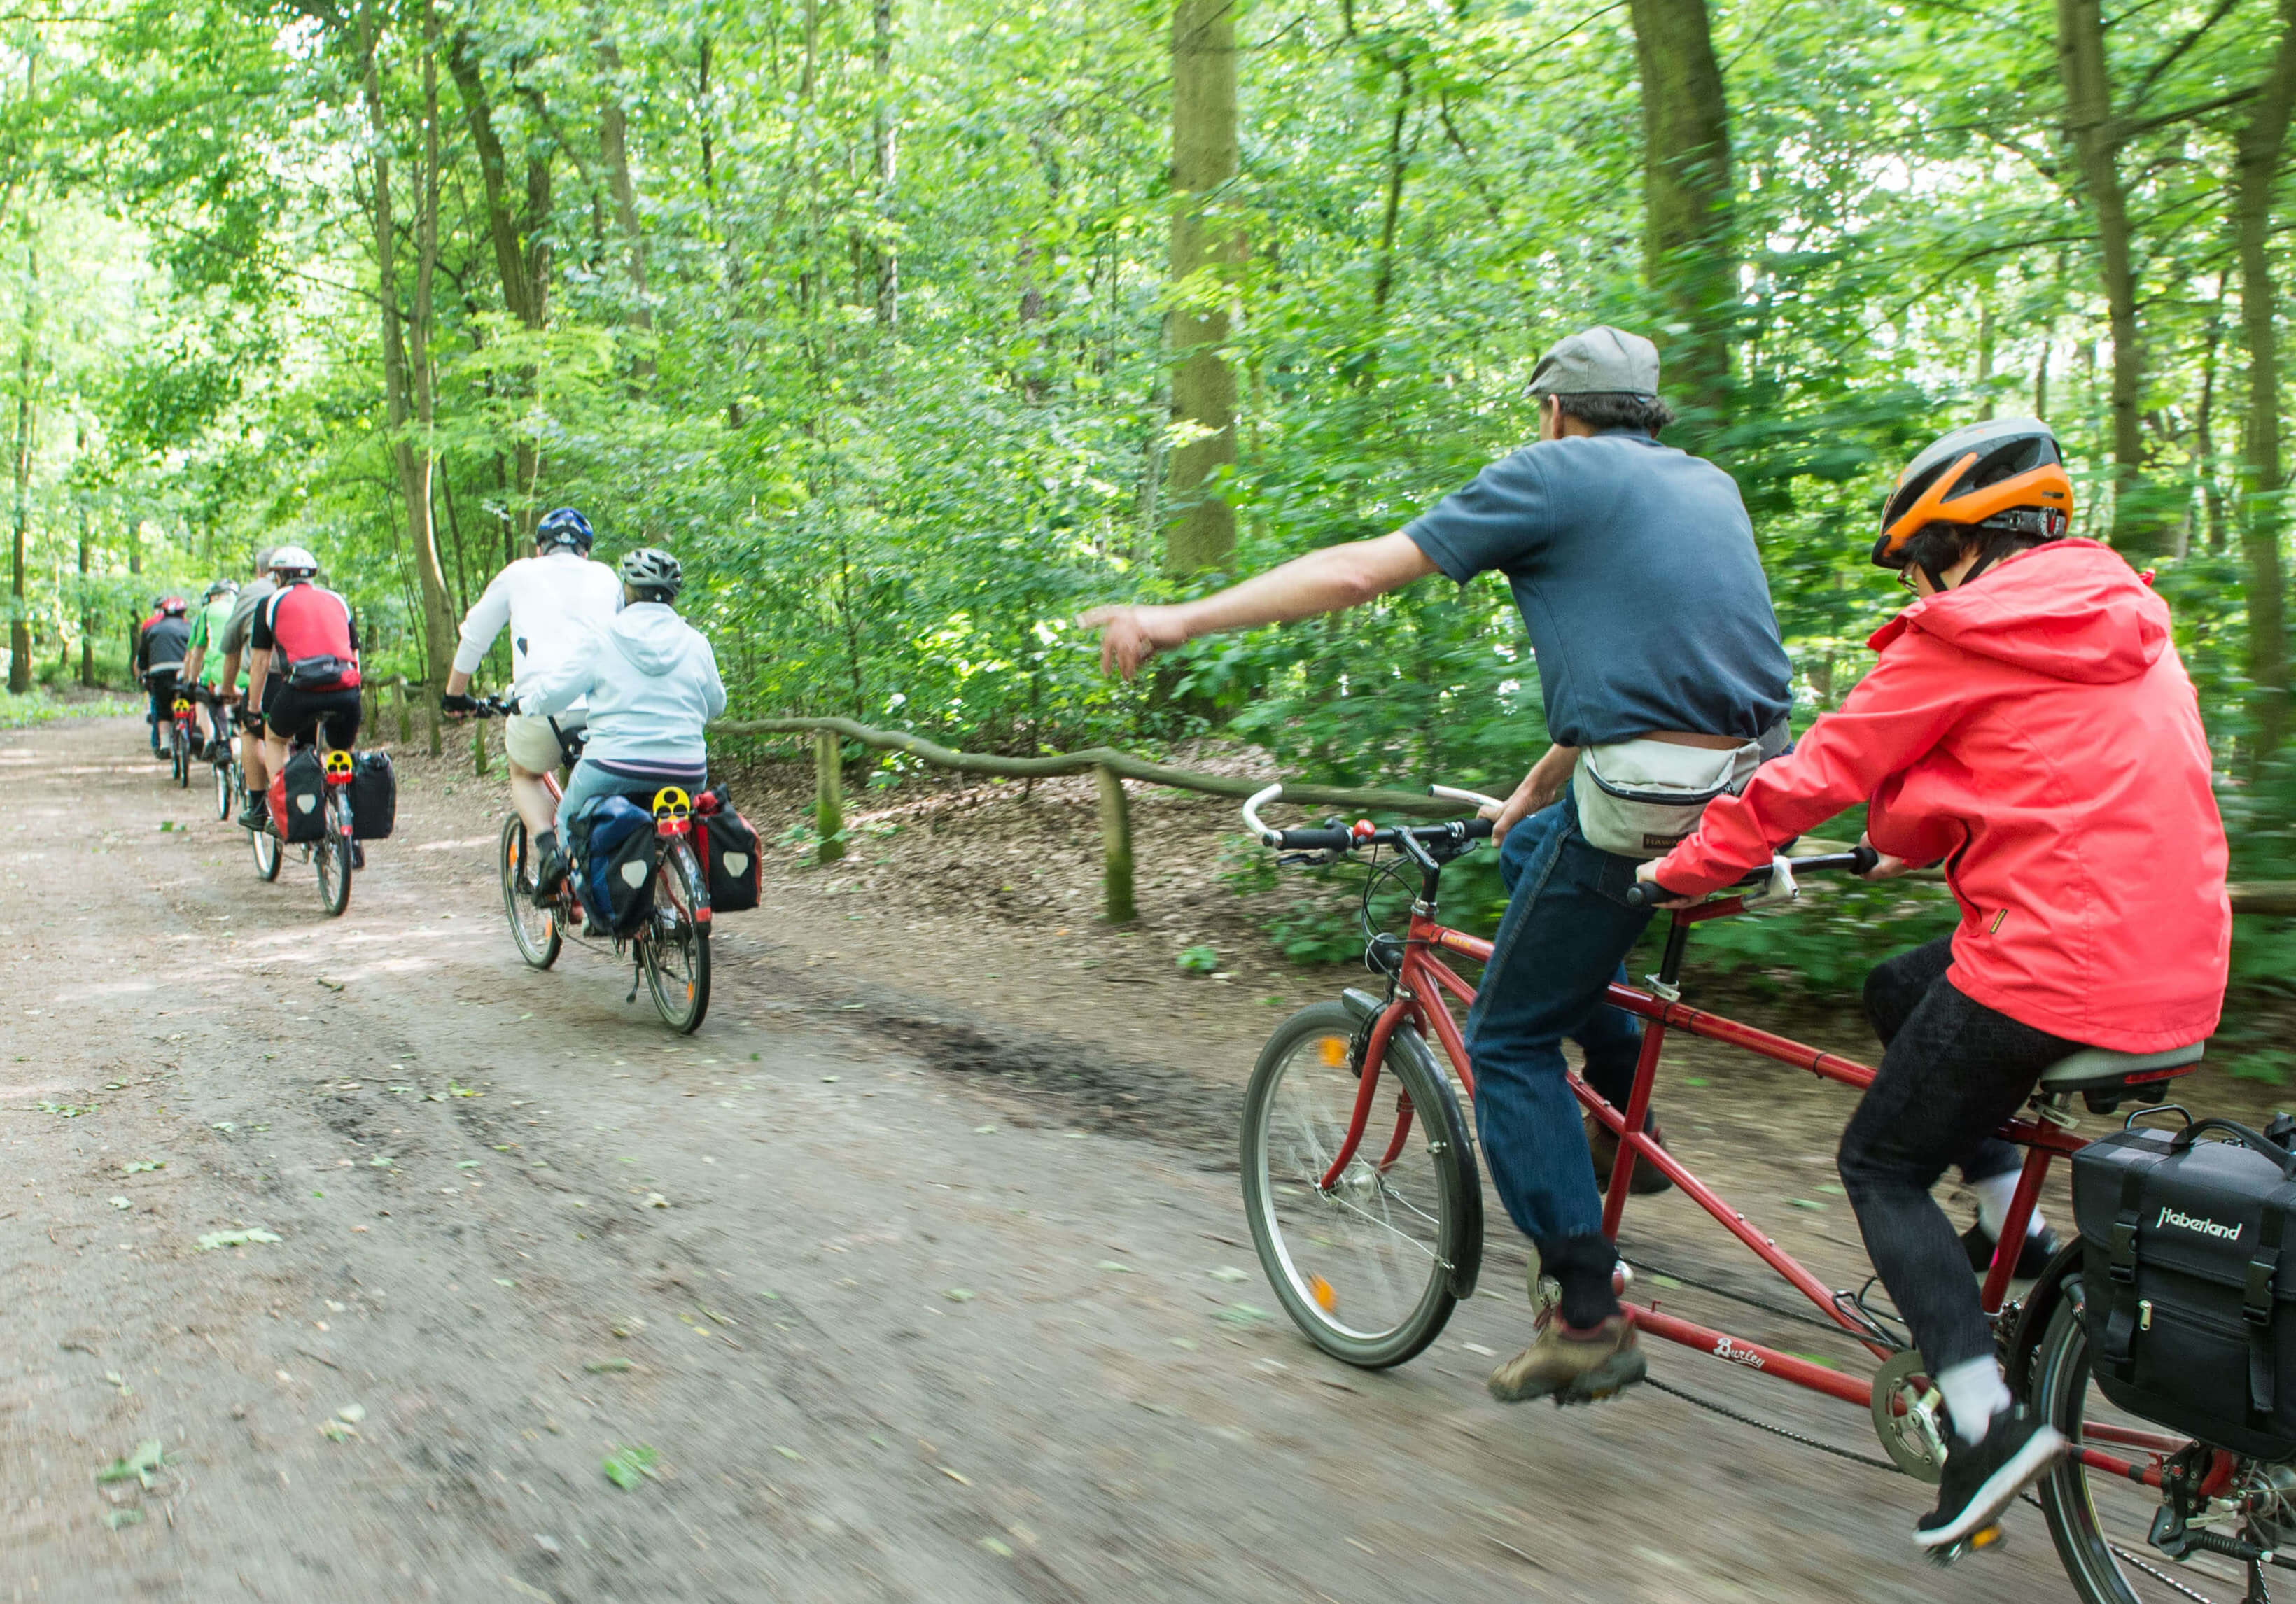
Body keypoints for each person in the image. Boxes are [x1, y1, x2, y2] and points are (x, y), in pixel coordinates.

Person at [1082, 326, 1793, 1406]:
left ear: (1556, 412)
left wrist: (1176, 619)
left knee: (1505, 1041)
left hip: (1651, 794)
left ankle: (1588, 1315)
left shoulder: (1549, 473)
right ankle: (1621, 1119)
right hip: (1755, 787)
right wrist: (1540, 787)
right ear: (1651, 415)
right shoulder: (1706, 487)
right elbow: (1672, 665)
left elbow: (1360, 571)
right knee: (1539, 857)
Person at [1637, 418, 2231, 1550]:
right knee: (1902, 986)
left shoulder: (1964, 630)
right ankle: (2028, 1235)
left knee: (1880, 1161)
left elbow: (1821, 771)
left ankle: (1987, 1422)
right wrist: (1906, 831)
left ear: (1962, 546)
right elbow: (2040, 781)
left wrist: (1682, 868)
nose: (1913, 584)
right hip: (2178, 970)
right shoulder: (2128, 623)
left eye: (1915, 561)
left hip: (2056, 968)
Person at [519, 547, 725, 900]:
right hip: (687, 768)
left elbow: (552, 696)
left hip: (613, 764)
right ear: (673, 596)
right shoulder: (696, 642)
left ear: (626, 591)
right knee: (676, 817)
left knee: (569, 816)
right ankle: (674, 898)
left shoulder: (603, 638)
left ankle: (586, 896)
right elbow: (716, 706)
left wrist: (526, 701)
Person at [438, 507, 621, 873]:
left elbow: (474, 639)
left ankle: (548, 847)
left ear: (540, 549)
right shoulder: (607, 577)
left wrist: (454, 696)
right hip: (607, 707)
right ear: (586, 552)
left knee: (525, 773)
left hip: (542, 710)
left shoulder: (518, 573)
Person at [241, 545, 363, 792]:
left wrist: (254, 708)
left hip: (302, 690)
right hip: (345, 689)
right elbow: (354, 655)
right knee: (342, 748)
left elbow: (261, 663)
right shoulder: (337, 599)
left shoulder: (270, 602)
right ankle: (345, 801)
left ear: (278, 577)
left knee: (275, 739)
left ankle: (281, 803)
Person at [220, 549, 281, 829]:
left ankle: (258, 806)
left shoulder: (253, 593)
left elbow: (233, 647)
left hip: (272, 681)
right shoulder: (314, 592)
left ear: (260, 571)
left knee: (252, 729)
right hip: (323, 678)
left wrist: (227, 687)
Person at [178, 579, 242, 757]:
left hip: (219, 675)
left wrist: (191, 681)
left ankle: (210, 739)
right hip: (248, 673)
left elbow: (196, 653)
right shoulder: (245, 606)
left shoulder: (207, 612)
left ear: (213, 597)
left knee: (201, 696)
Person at [135, 597, 192, 758]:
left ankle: (165, 745)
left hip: (160, 673)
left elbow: (143, 657)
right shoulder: (190, 628)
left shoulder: (152, 629)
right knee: (192, 701)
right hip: (183, 672)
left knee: (162, 707)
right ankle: (191, 735)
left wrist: (144, 673)